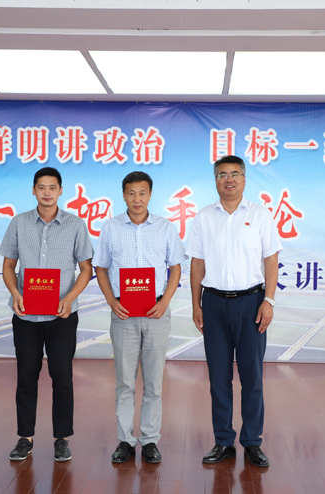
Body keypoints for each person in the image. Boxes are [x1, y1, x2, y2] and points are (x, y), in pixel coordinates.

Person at [186, 155, 282, 468]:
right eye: (223, 174)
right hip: (214, 304)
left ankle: (252, 442)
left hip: (252, 303)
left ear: (244, 179)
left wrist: (269, 300)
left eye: (235, 174)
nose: (229, 179)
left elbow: (271, 259)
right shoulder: (204, 217)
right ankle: (223, 441)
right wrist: (196, 304)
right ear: (215, 180)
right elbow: (197, 263)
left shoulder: (260, 214)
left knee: (253, 378)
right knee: (219, 377)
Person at [0, 167, 94, 463]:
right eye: (42, 187)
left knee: (62, 377)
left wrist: (69, 299)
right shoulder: (19, 223)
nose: (47, 192)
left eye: (52, 187)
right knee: (26, 377)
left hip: (61, 316)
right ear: (33, 190)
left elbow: (86, 269)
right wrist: (15, 293)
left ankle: (61, 439)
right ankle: (25, 438)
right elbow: (8, 267)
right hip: (26, 315)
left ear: (60, 190)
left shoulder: (75, 224)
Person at [93, 171, 187, 464]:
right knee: (124, 382)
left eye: (142, 192)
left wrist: (165, 301)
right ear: (123, 195)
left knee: (153, 382)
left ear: (150, 194)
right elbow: (100, 268)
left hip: (156, 311)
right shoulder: (110, 228)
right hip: (123, 313)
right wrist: (111, 301)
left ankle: (149, 440)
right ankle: (125, 440)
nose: (137, 199)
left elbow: (176, 267)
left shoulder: (165, 227)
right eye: (131, 193)